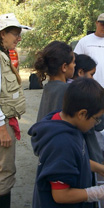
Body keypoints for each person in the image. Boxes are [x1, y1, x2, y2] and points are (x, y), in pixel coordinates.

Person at [28, 77, 104, 208]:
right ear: (82, 114)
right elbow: (61, 195)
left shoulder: (64, 120)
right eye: (96, 119)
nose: (96, 123)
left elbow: (76, 158)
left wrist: (101, 169)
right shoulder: (61, 144)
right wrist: (96, 192)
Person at [0, 13, 26, 207]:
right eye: (15, 34)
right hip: (2, 123)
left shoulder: (4, 55)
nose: (19, 38)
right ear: (2, 34)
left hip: (5, 120)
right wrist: (2, 127)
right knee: (5, 172)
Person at [35, 41, 75, 122]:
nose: (75, 65)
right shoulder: (67, 89)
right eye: (73, 62)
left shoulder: (49, 86)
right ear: (64, 67)